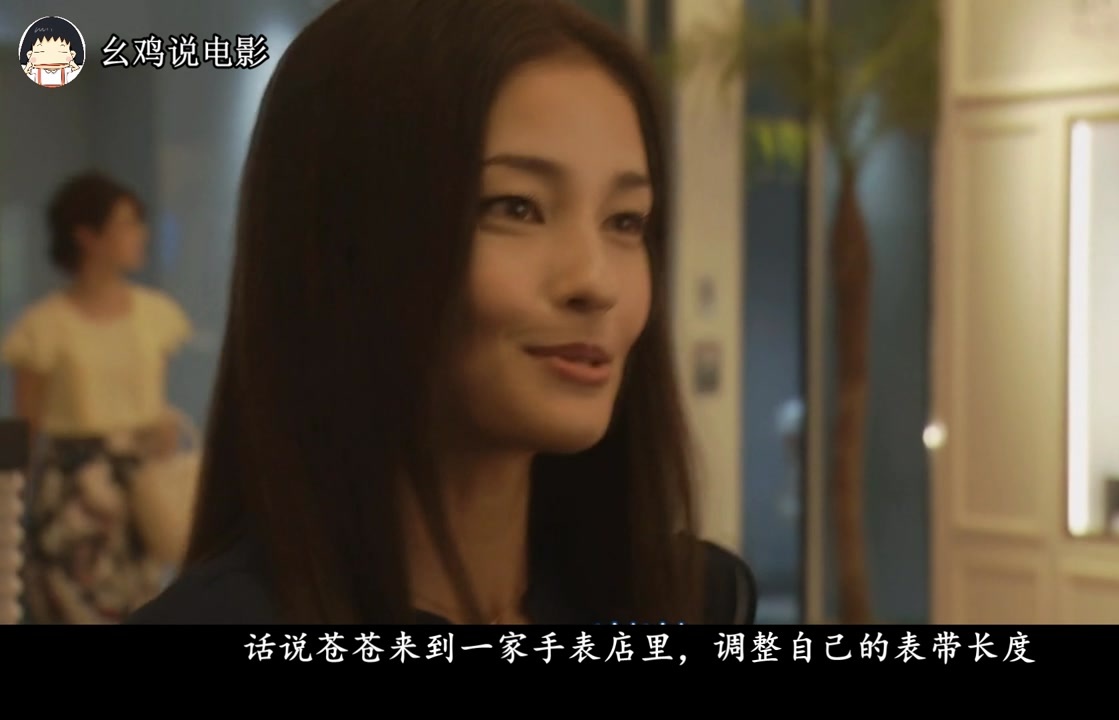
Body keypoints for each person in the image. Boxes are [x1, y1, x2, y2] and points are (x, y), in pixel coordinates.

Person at [127, 0, 755, 625]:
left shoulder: (687, 601)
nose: (596, 282)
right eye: (516, 208)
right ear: (346, 242)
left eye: (625, 221)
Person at [1, 172, 192, 623]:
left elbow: (156, 399)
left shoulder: (155, 315)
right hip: (70, 499)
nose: (140, 234)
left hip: (139, 493)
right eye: (126, 223)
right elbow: (27, 425)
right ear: (87, 235)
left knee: (142, 606)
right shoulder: (43, 326)